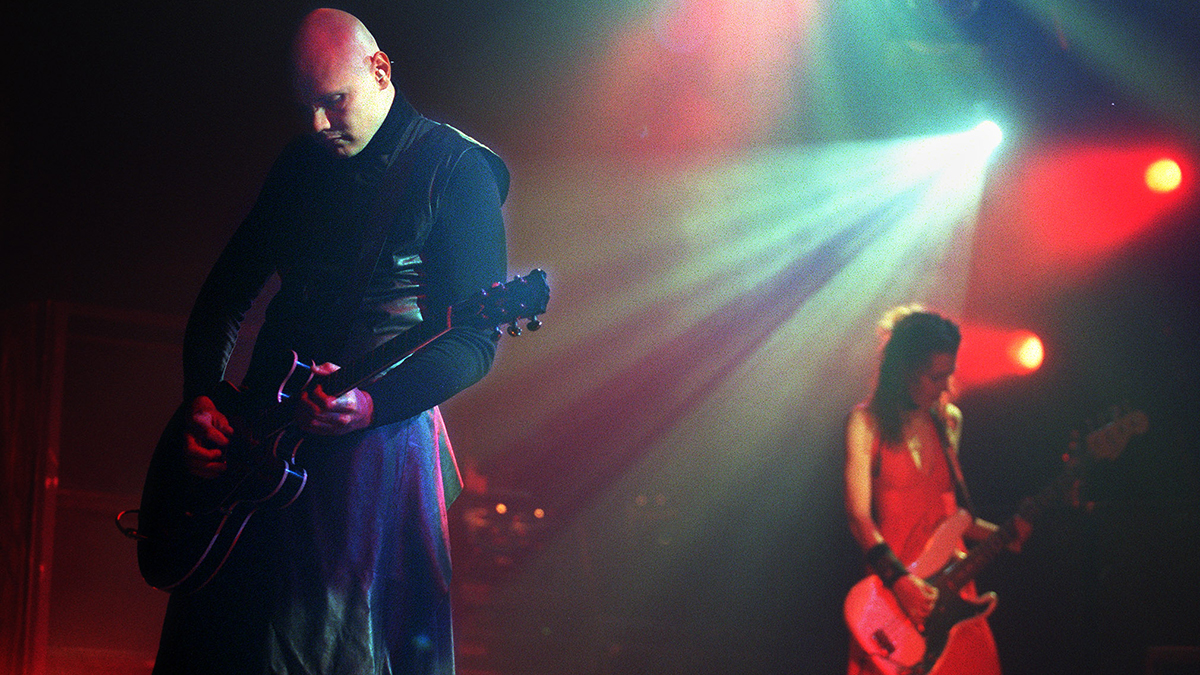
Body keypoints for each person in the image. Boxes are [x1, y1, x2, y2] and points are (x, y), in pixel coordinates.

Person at [151, 8, 509, 674]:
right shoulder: (299, 165)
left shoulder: (459, 169)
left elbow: (475, 343)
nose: (317, 124)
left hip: (375, 451)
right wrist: (202, 397)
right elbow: (222, 297)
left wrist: (372, 405)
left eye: (333, 101)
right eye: (305, 107)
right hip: (261, 435)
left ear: (380, 70)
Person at [844, 306, 1026, 675]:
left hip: (953, 588)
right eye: (935, 377)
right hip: (895, 595)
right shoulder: (866, 423)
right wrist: (901, 582)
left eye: (949, 375)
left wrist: (1004, 534)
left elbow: (950, 515)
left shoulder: (948, 421)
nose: (945, 386)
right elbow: (858, 517)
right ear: (904, 371)